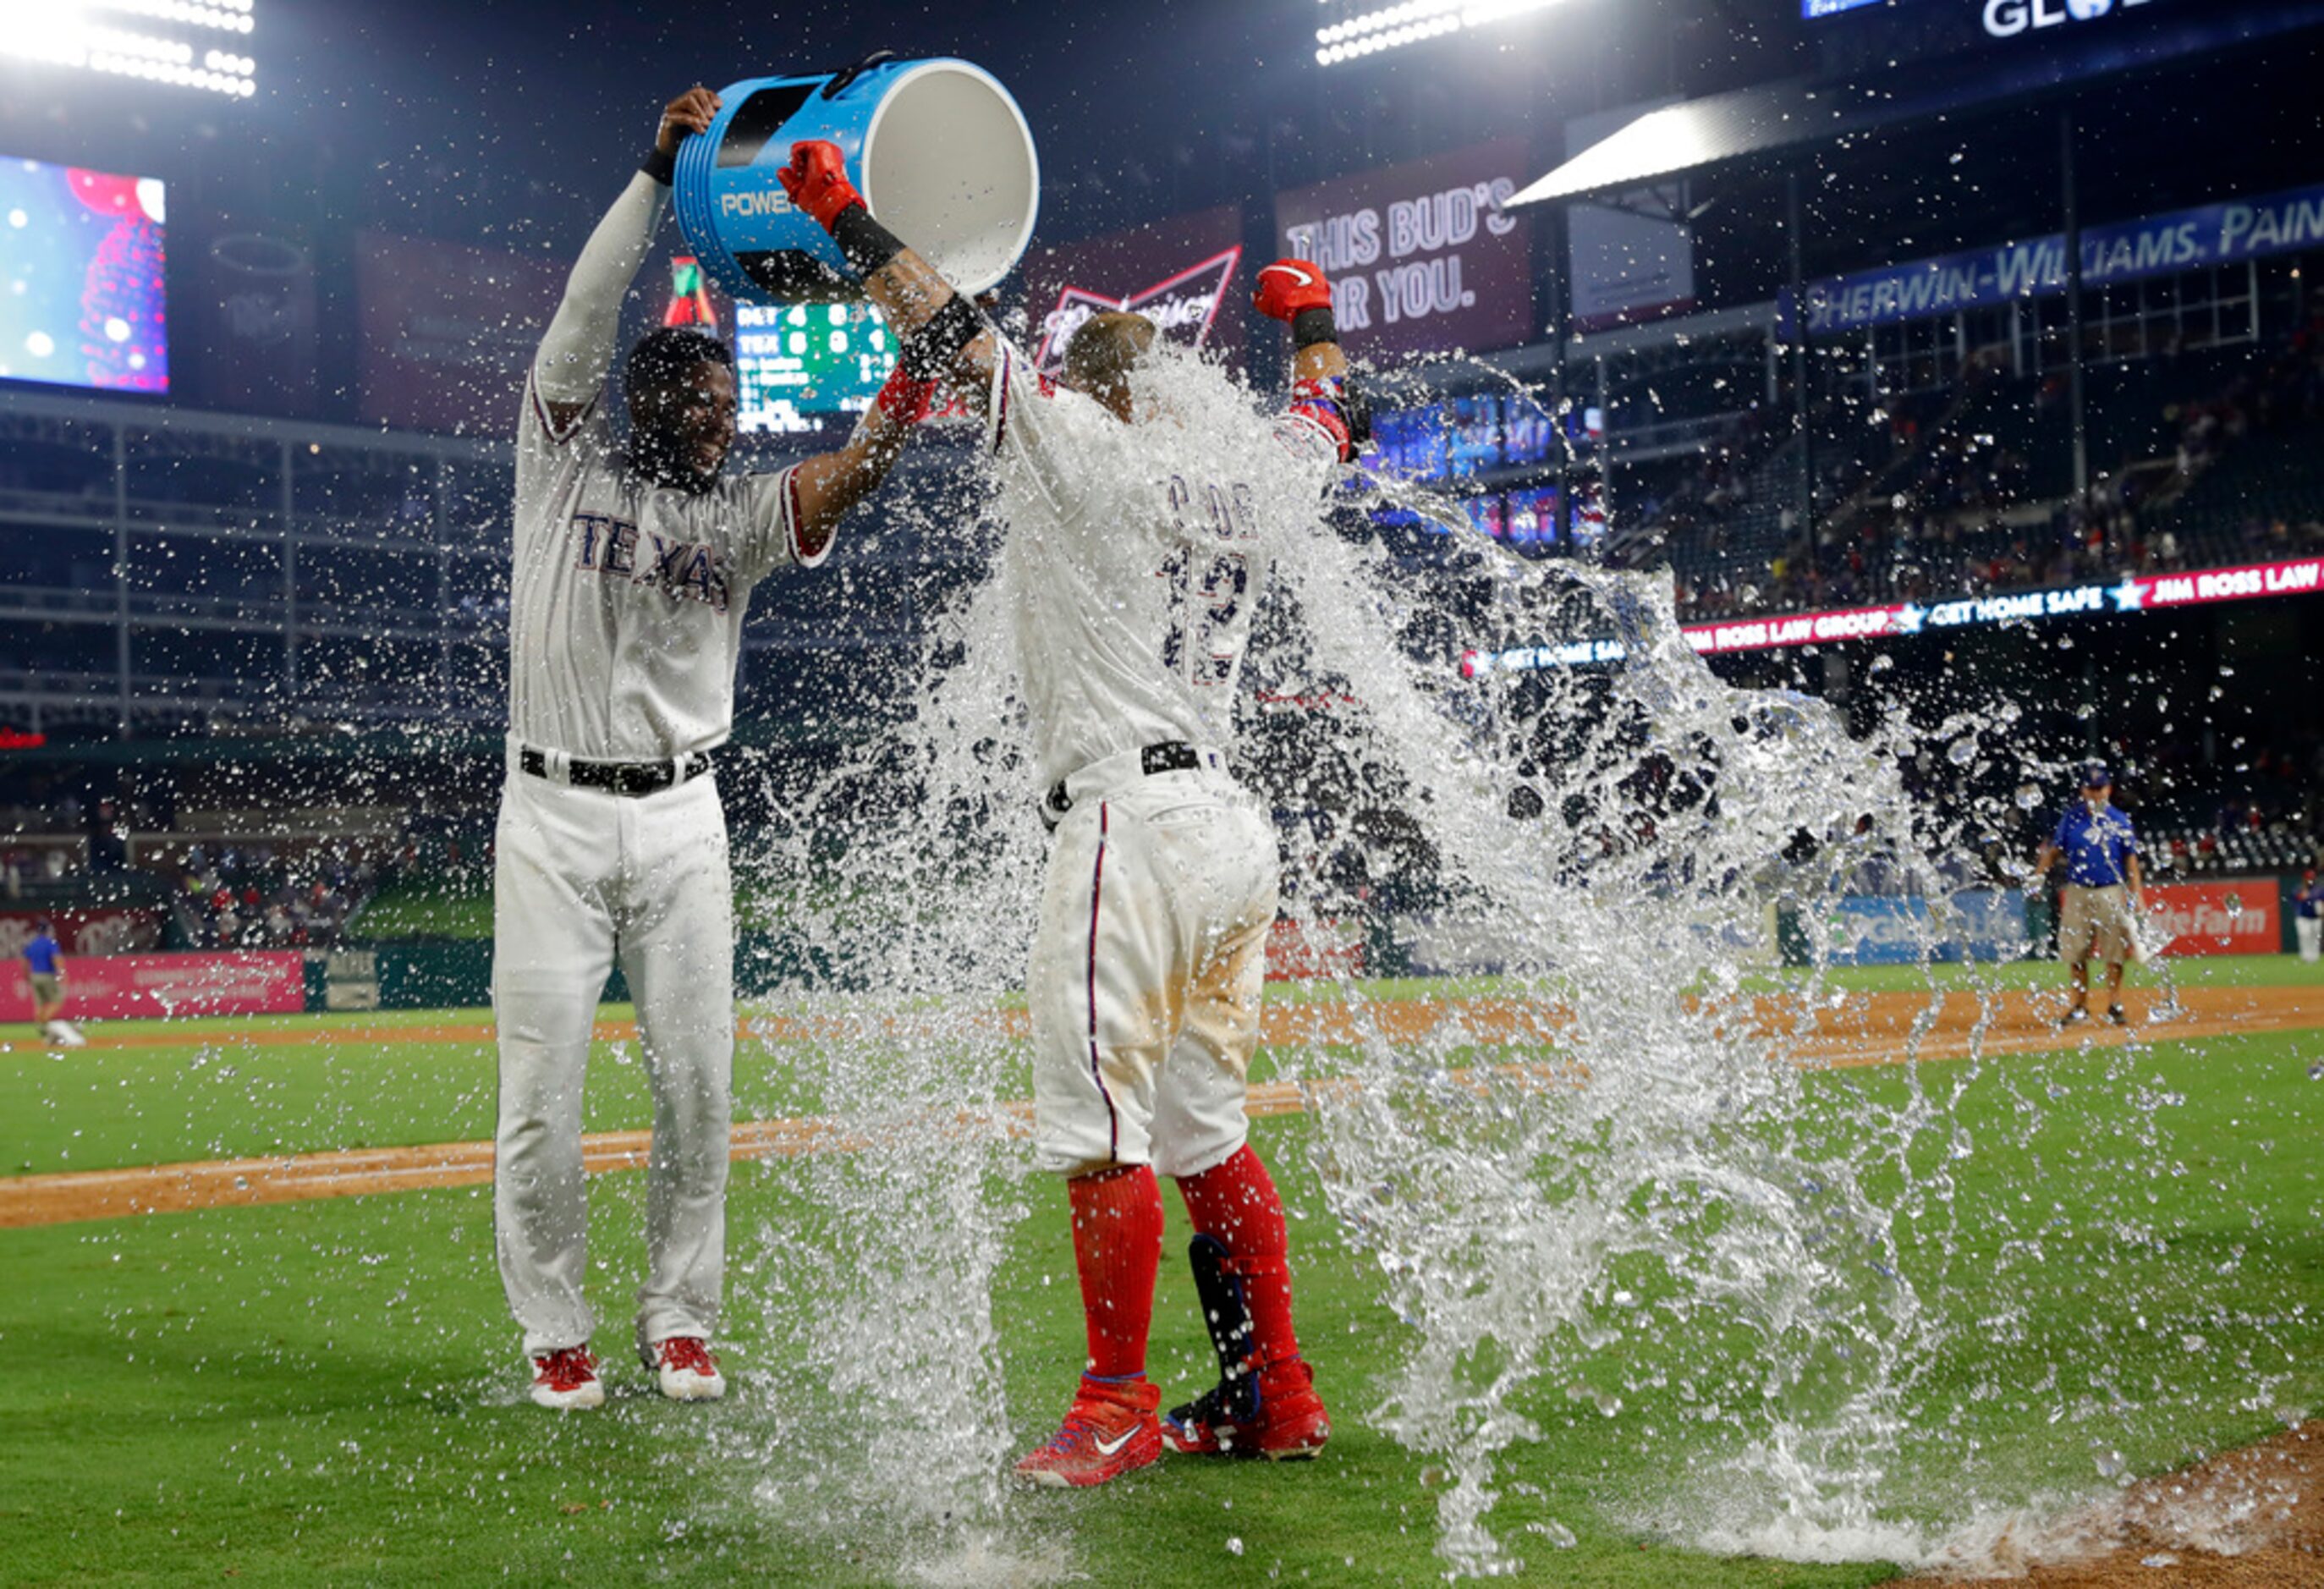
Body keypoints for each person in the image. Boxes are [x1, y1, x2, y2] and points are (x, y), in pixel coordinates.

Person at [774, 139, 1363, 1487]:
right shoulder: (1247, 478)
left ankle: (1113, 1399)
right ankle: (1275, 1392)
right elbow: (1337, 420)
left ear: (1083, 393)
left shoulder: (1076, 449)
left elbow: (951, 331)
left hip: (1125, 823)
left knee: (1097, 1121)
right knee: (1204, 1124)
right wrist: (1311, 320)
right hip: (1229, 834)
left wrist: (846, 217)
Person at [493, 89, 918, 1412]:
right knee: (540, 1100)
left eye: (730, 398)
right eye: (698, 393)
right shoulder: (562, 466)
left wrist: (913, 380)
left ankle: (680, 1314)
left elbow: (840, 475)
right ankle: (552, 1325)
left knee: (697, 1088)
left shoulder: (738, 516)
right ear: (648, 398)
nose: (721, 416)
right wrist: (651, 166)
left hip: (682, 820)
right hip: (551, 812)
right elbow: (580, 312)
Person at [2031, 762, 2142, 1025]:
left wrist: (2137, 896)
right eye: (2091, 789)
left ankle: (2114, 1004)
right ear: (2083, 790)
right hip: (2078, 890)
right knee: (2076, 952)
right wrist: (2038, 875)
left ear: (2109, 789)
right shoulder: (2072, 818)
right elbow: (2054, 850)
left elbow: (2132, 863)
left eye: (2100, 788)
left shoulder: (2119, 819)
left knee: (2114, 952)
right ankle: (2079, 1006)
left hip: (2110, 890)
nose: (2096, 794)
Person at [23, 920, 79, 1047]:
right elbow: (56, 958)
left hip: (34, 975)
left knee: (40, 1005)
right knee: (56, 1001)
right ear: (48, 930)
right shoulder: (49, 943)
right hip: (47, 975)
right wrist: (63, 973)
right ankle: (47, 1024)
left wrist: (26, 975)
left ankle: (45, 1031)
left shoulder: (33, 944)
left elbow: (24, 960)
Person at [2295, 868, 2322, 964]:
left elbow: (2322, 902)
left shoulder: (2319, 890)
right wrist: (2302, 896)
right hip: (2303, 918)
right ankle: (2305, 956)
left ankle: (2314, 957)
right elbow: (2294, 899)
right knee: (2305, 935)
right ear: (2304, 879)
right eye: (2308, 878)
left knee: (2315, 937)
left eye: (2312, 878)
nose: (2310, 880)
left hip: (2316, 918)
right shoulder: (2299, 889)